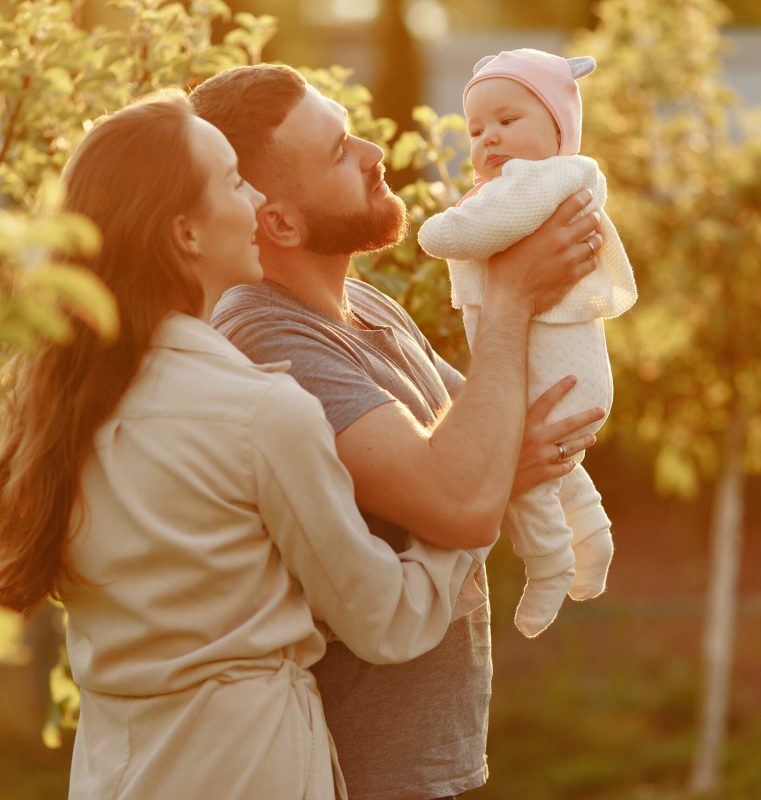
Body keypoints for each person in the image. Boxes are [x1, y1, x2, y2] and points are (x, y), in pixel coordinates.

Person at [0, 93, 496, 800]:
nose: (257, 197)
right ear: (186, 235)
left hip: (118, 771)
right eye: (235, 182)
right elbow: (388, 619)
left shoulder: (55, 404)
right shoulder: (261, 412)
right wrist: (473, 495)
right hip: (248, 770)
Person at [192, 64, 606, 800]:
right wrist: (511, 298)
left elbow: (505, 433)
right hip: (353, 769)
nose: (371, 153)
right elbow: (464, 496)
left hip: (418, 762)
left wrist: (497, 451)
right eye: (339, 151)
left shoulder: (367, 307)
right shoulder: (265, 336)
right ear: (279, 222)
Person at [418, 48, 637, 639]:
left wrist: (434, 228)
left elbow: (470, 232)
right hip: (566, 371)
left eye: (508, 122)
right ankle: (592, 539)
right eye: (477, 129)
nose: (489, 138)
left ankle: (547, 564)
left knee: (524, 465)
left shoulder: (545, 178)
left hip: (556, 371)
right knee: (558, 463)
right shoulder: (525, 181)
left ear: (558, 128)